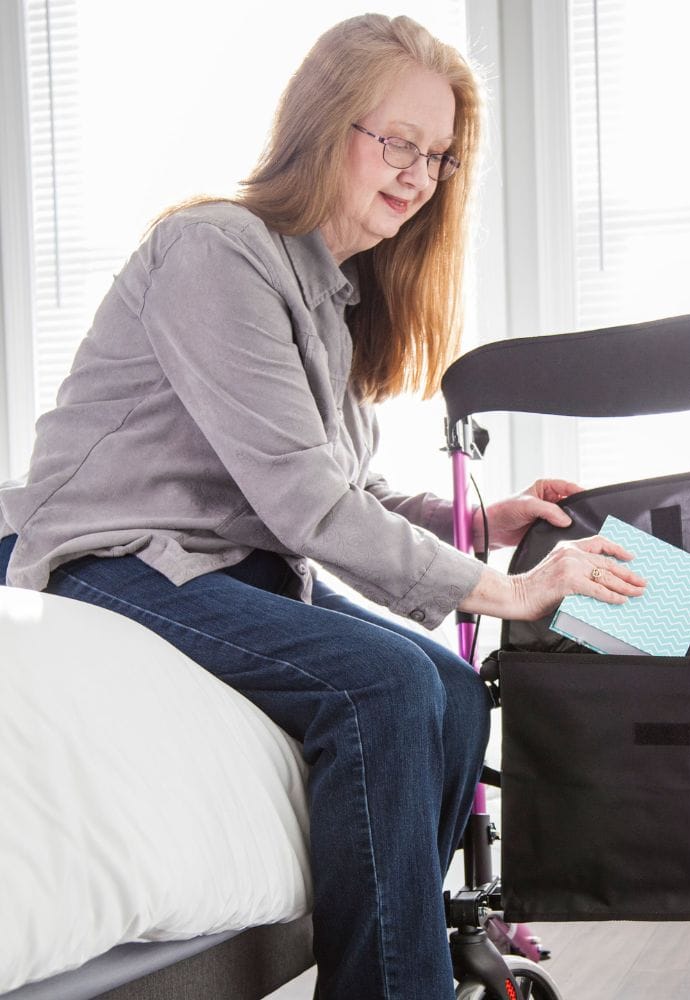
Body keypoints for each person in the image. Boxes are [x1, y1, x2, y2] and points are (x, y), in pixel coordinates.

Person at [0, 14, 644, 999]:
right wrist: (496, 593)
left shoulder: (333, 296)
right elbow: (306, 501)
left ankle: (386, 965)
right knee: (384, 685)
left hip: (232, 562)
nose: (417, 174)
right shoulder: (215, 251)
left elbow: (340, 486)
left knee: (456, 697)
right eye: (395, 141)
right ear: (321, 125)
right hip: (113, 555)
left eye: (435, 156)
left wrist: (481, 525)